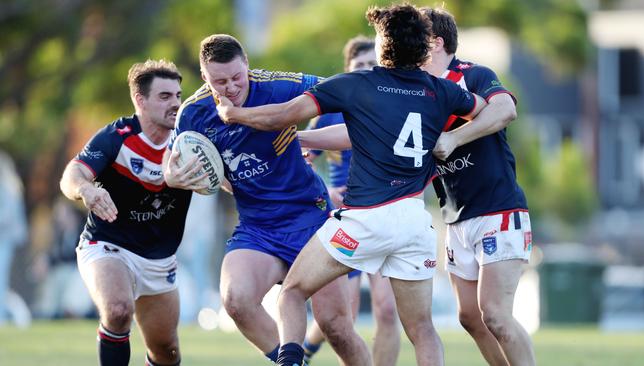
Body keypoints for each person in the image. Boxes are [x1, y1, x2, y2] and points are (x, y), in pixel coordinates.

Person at [215, 4, 494, 365]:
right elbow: (484, 106)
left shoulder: (357, 84)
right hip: (414, 221)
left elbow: (281, 117)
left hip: (365, 220)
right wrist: (454, 139)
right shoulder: (441, 91)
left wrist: (233, 114)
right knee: (422, 329)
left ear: (383, 46)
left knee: (294, 294)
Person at [162, 34, 371, 365]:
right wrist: (173, 176)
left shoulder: (276, 86)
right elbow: (172, 162)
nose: (230, 88)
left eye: (236, 77)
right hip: (258, 227)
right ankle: (292, 361)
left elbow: (339, 91)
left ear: (247, 65)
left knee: (337, 328)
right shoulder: (194, 114)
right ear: (204, 78)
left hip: (310, 218)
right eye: (220, 81)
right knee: (236, 300)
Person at [421, 7, 536, 365]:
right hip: (456, 216)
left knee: (496, 315)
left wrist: (455, 138)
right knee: (469, 317)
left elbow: (505, 110)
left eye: (415, 39)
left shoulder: (472, 75)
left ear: (436, 43)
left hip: (497, 210)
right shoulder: (417, 91)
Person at [59, 59, 191, 366]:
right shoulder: (117, 136)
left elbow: (223, 178)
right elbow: (72, 175)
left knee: (166, 351)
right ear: (139, 100)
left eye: (178, 96)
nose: (175, 104)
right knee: (118, 311)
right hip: (108, 245)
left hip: (160, 260)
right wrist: (87, 190)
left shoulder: (189, 140)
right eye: (165, 96)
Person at [302, 35, 401, 366]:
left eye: (372, 64)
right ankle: (306, 348)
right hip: (346, 220)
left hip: (387, 216)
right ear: (347, 71)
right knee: (344, 315)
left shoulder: (395, 107)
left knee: (388, 310)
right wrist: (325, 191)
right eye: (358, 65)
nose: (366, 70)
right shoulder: (329, 113)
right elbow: (298, 161)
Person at [0, 150, 28, 326]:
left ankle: (2, 316)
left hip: (6, 239)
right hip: (6, 238)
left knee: (2, 278)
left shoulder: (8, 186)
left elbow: (7, 217)